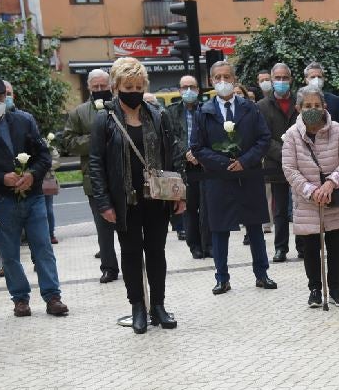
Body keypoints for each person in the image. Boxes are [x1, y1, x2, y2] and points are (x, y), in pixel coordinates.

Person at [89, 57, 185, 334]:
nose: (134, 91)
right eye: (128, 86)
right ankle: (138, 307)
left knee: (156, 251)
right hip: (125, 200)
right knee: (130, 253)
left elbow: (172, 154)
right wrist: (104, 203)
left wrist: (179, 194)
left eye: (138, 86)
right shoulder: (104, 119)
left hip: (157, 196)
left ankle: (158, 306)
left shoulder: (158, 115)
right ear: (116, 87)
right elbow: (96, 164)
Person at [0, 76, 69, 318]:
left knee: (43, 247)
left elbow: (43, 156)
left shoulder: (24, 120)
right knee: (9, 253)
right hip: (1, 200)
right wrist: (2, 178)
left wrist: (32, 175)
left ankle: (53, 296)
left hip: (33, 195)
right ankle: (20, 299)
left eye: (0, 97)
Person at [192, 60, 277, 294]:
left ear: (234, 79)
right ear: (211, 81)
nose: (223, 82)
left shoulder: (250, 108)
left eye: (227, 77)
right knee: (219, 229)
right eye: (218, 78)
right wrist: (224, 163)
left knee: (255, 226)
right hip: (218, 178)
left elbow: (263, 139)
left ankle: (262, 274)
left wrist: (244, 161)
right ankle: (222, 278)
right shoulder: (204, 111)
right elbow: (197, 147)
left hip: (248, 176)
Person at [282, 86, 339, 308]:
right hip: (307, 201)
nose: (313, 109)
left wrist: (330, 183)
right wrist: (311, 191)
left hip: (334, 196)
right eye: (308, 106)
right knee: (311, 247)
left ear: (324, 107)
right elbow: (289, 169)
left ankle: (335, 289)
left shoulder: (337, 130)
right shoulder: (292, 135)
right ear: (299, 108)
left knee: (335, 245)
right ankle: (315, 289)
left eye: (317, 105)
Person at [62, 69, 120, 284]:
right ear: (88, 87)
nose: (99, 90)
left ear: (111, 86)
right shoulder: (79, 113)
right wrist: (96, 139)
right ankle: (109, 267)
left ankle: (132, 263)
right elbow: (68, 142)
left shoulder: (119, 106)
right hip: (94, 177)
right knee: (103, 227)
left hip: (122, 174)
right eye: (95, 87)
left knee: (128, 225)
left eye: (103, 86)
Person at [257, 62, 298, 263]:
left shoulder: (300, 101)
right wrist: (285, 154)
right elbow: (262, 137)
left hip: (301, 163)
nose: (281, 81)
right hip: (276, 164)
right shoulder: (262, 106)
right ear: (272, 80)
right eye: (278, 78)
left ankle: (304, 246)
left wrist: (297, 154)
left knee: (300, 208)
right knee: (280, 209)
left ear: (291, 79)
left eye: (285, 78)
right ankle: (281, 248)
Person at [167, 74, 210, 260]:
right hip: (183, 166)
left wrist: (201, 154)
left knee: (207, 207)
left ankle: (209, 244)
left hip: (205, 164)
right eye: (185, 87)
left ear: (198, 90)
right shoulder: (171, 112)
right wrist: (187, 153)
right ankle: (195, 246)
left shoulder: (207, 109)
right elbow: (171, 137)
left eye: (192, 87)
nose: (189, 91)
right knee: (190, 208)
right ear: (179, 90)